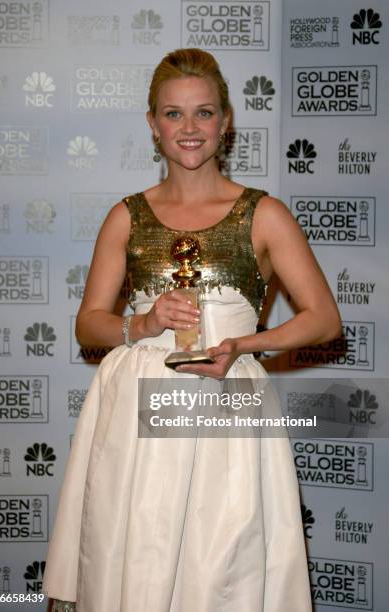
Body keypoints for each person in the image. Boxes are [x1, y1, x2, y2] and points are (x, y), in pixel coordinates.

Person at [42, 48, 341, 612]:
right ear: (153, 125)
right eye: (173, 114)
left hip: (224, 403)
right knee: (131, 546)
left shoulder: (264, 214)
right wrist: (143, 323)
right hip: (132, 409)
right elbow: (88, 322)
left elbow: (324, 318)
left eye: (203, 113)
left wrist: (243, 346)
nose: (189, 128)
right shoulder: (126, 215)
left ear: (226, 122)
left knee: (221, 555)